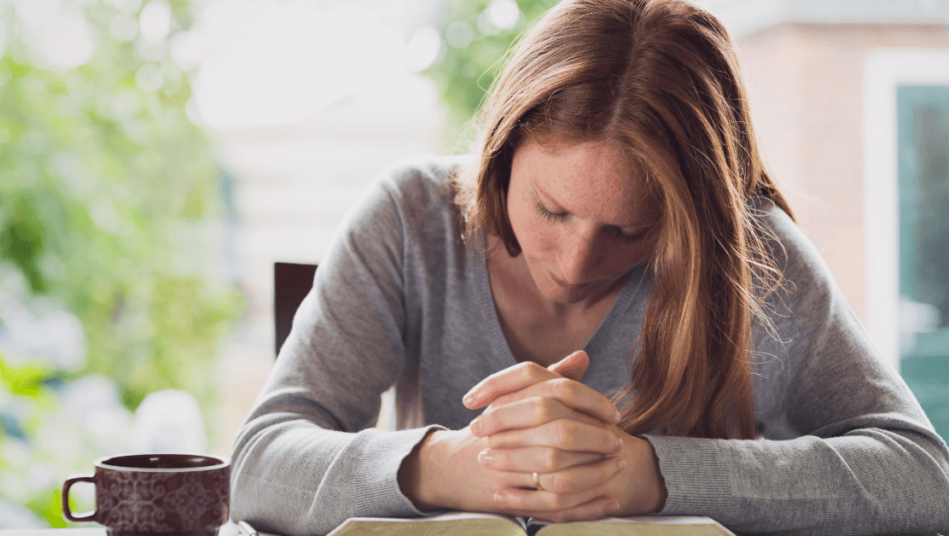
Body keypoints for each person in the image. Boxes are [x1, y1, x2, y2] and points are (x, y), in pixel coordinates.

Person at [230, 0, 949, 534]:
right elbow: (259, 465)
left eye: (632, 230)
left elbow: (925, 480)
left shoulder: (750, 256)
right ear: (502, 153)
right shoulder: (409, 218)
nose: (577, 265)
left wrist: (654, 475)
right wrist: (458, 465)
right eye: (550, 211)